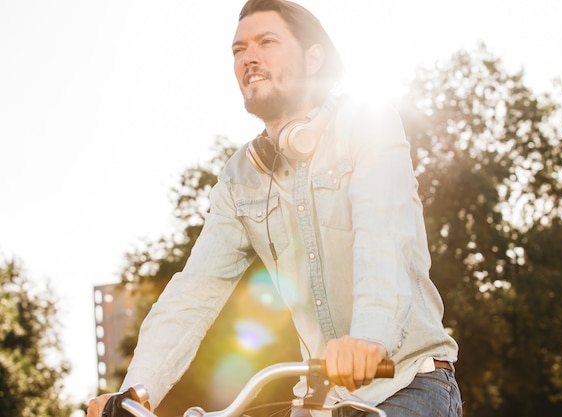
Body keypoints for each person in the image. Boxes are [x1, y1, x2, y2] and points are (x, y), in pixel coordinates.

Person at [88, 0, 462, 416]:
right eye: (238, 50)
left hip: (410, 383)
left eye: (267, 42)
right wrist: (135, 393)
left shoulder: (368, 123)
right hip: (321, 399)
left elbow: (383, 236)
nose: (249, 57)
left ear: (313, 58)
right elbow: (193, 291)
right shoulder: (238, 179)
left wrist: (370, 338)